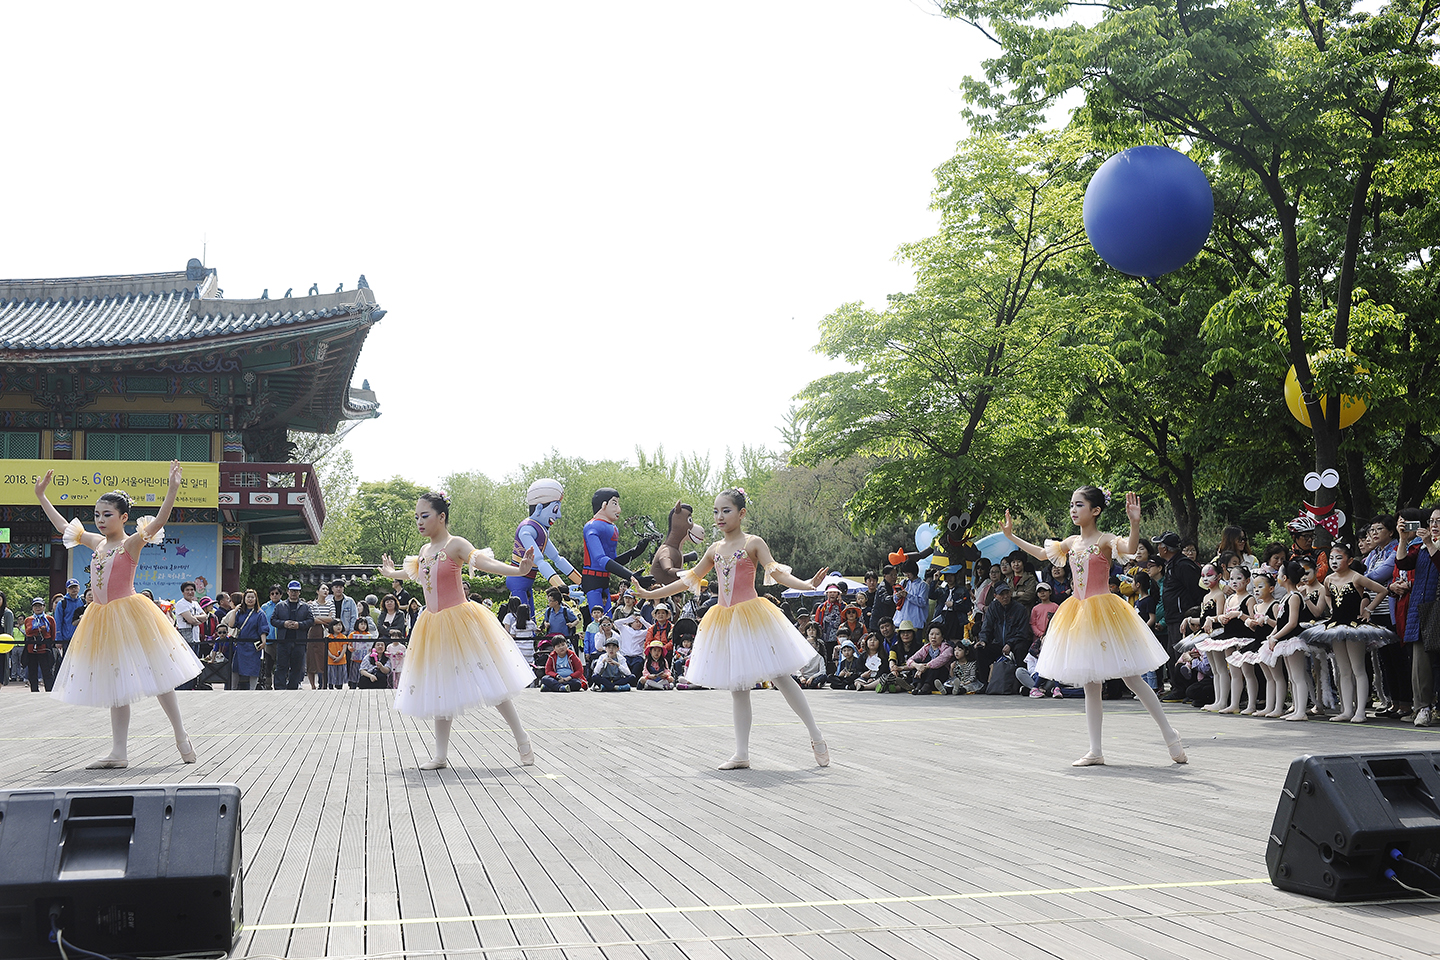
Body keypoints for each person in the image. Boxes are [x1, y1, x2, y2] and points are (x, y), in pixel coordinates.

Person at [631, 488, 831, 769]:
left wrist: (808, 584)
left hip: (753, 617)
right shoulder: (714, 549)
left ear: (741, 513)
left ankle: (816, 734)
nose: (719, 516)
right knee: (738, 687)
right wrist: (651, 595)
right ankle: (742, 753)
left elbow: (777, 573)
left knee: (781, 676)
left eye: (726, 510)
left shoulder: (753, 542)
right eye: (715, 511)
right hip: (724, 620)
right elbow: (688, 580)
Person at [1001, 487, 1185, 766]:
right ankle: (1095, 750)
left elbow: (1131, 549)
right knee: (1090, 683)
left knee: (1132, 677)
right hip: (1078, 613)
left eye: (1079, 505)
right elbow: (1041, 554)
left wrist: (1135, 523)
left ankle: (1170, 735)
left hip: (1105, 612)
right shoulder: (1072, 541)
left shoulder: (1105, 539)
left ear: (1095, 510)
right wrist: (1012, 537)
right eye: (1072, 505)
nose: (1073, 510)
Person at [35, 463, 201, 768]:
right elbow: (63, 527)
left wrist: (173, 488)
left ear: (124, 517)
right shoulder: (97, 543)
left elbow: (160, 520)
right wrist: (41, 496)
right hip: (100, 618)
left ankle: (181, 735)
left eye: (107, 514)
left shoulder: (130, 543)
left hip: (131, 613)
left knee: (159, 676)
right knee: (116, 682)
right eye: (97, 514)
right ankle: (119, 752)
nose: (100, 520)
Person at [378, 490, 538, 769]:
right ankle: (440, 755)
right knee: (441, 687)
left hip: (461, 622)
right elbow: (415, 572)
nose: (419, 521)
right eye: (416, 516)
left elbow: (484, 563)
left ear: (441, 517)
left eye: (424, 516)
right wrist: (392, 574)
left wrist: (518, 571)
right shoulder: (425, 551)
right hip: (432, 624)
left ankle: (522, 739)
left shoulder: (455, 544)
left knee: (492, 682)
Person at [1295, 540, 1396, 723]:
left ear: (1349, 560)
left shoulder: (1356, 577)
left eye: (1338, 558)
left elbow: (1382, 590)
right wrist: (1333, 607)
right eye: (1332, 558)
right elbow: (1326, 594)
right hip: (1336, 626)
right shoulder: (1328, 579)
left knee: (1358, 669)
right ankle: (1347, 709)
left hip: (1355, 626)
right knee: (1344, 670)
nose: (1334, 562)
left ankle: (1360, 711)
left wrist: (1368, 610)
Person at [581, 487, 656, 618]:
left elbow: (613, 562)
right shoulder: (592, 527)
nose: (619, 509)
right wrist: (632, 577)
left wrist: (636, 551)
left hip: (604, 579)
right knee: (597, 619)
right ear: (604, 505)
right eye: (615, 503)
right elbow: (601, 559)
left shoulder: (613, 528)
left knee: (608, 619)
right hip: (592, 580)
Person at [269, 581, 314, 690]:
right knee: (281, 666)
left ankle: (293, 688)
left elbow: (311, 621)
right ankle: (279, 688)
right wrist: (283, 624)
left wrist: (299, 625)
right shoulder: (280, 606)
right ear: (288, 591)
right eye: (292, 590)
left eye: (296, 591)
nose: (294, 593)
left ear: (299, 592)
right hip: (283, 641)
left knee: (297, 667)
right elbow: (273, 620)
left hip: (299, 641)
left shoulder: (305, 606)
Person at [651, 501, 705, 585]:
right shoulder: (667, 550)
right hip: (660, 593)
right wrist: (688, 573)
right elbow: (668, 569)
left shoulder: (675, 550)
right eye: (689, 520)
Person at [226, 588, 266, 690]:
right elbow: (231, 625)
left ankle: (252, 689)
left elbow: (262, 629)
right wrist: (234, 611)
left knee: (254, 668)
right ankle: (233, 688)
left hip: (253, 645)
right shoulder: (240, 612)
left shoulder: (260, 613)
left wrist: (263, 641)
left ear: (256, 599)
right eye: (248, 597)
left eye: (253, 597)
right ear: (244, 599)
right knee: (235, 667)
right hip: (241, 644)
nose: (250, 599)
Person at [23, 597, 58, 692]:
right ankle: (34, 690)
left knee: (47, 671)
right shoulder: (28, 619)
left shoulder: (49, 619)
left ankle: (49, 691)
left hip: (45, 648)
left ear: (44, 607)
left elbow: (53, 633)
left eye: (40, 606)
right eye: (35, 606)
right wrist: (38, 628)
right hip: (32, 648)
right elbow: (28, 632)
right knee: (32, 672)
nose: (38, 608)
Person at [326, 621, 352, 690]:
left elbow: (344, 648)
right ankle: (330, 687)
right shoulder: (328, 637)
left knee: (340, 676)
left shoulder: (343, 637)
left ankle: (339, 688)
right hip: (331, 660)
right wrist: (332, 656)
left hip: (341, 660)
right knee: (331, 676)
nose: (338, 627)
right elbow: (326, 649)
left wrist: (340, 657)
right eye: (336, 625)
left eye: (340, 625)